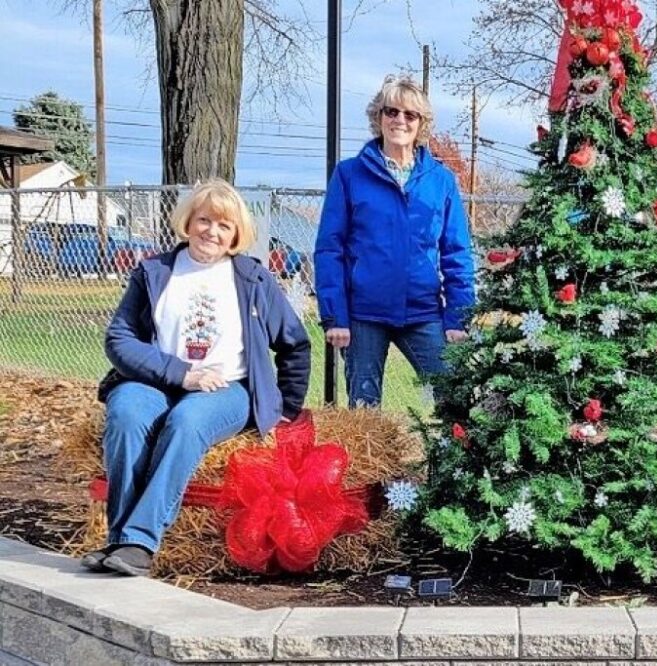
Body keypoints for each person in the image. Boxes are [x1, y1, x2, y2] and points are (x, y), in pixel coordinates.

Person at [81, 179, 311, 577]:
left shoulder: (254, 280)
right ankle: (119, 539)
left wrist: (285, 408)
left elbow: (295, 345)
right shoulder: (154, 272)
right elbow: (118, 338)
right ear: (188, 222)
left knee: (186, 422)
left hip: (228, 390)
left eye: (224, 226)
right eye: (204, 220)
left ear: (237, 234)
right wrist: (182, 374)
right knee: (126, 414)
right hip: (156, 382)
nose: (212, 232)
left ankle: (138, 540)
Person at [315, 75, 475, 408]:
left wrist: (458, 317)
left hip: (423, 311)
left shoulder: (441, 181)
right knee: (364, 410)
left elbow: (457, 253)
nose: (399, 120)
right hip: (363, 316)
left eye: (409, 114)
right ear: (379, 117)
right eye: (391, 111)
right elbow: (330, 250)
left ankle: (447, 461)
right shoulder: (349, 175)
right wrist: (335, 317)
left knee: (455, 398)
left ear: (421, 124)